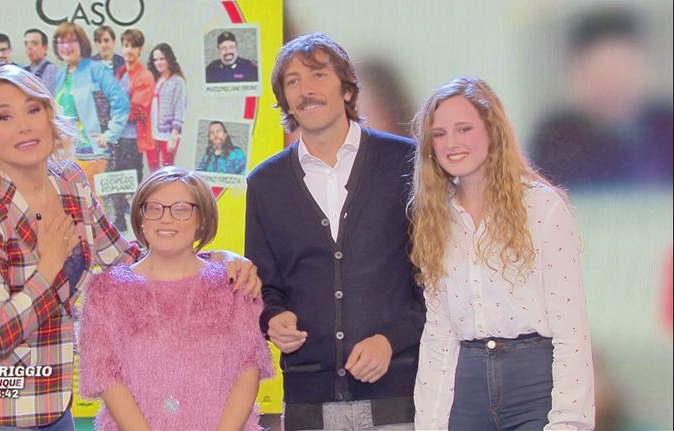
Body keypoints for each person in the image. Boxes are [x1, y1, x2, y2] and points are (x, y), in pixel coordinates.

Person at [0, 65, 261, 430]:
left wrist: (217, 262)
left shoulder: (70, 181)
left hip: (51, 398)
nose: (24, 126)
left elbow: (126, 261)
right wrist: (50, 266)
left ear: (50, 117)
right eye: (4, 116)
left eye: (33, 109)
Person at [245, 33, 424, 430]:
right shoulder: (265, 183)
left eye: (318, 75)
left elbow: (436, 280)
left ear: (346, 88)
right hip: (308, 406)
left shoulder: (406, 162)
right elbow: (264, 287)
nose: (305, 89)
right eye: (292, 81)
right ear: (285, 99)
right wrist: (272, 318)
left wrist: (391, 340)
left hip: (399, 401)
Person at [409, 76, 595, 430]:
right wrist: (430, 422)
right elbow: (439, 332)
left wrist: (570, 420)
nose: (452, 143)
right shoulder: (435, 218)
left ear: (492, 131)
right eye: (439, 134)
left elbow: (571, 326)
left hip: (534, 381)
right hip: (465, 385)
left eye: (464, 129)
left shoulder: (541, 207)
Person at [79, 166, 274, 431]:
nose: (166, 219)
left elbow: (248, 368)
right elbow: (106, 375)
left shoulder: (234, 285)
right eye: (154, 208)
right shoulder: (106, 291)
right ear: (140, 217)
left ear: (201, 218)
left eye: (181, 209)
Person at [531, 7, 673, 188]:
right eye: (602, 74)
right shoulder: (555, 139)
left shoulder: (667, 127)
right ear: (577, 75)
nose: (615, 86)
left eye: (623, 72)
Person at [53, 22, 128, 192]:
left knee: (92, 199)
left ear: (82, 43)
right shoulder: (61, 75)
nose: (66, 46)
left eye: (71, 41)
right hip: (67, 153)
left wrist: (110, 134)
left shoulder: (97, 69)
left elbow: (121, 103)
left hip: (92, 153)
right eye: (61, 42)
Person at [108, 28, 153, 232]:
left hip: (133, 138)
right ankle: (120, 219)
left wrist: (115, 111)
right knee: (116, 179)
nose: (129, 50)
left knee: (133, 181)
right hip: (118, 136)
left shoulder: (144, 76)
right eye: (126, 45)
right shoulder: (121, 74)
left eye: (133, 46)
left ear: (140, 49)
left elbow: (136, 110)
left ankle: (139, 224)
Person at [146, 42, 186, 170]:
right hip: (151, 133)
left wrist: (174, 135)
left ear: (169, 59)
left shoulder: (177, 81)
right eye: (155, 60)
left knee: (167, 170)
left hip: (168, 133)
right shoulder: (153, 79)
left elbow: (180, 108)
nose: (158, 63)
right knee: (153, 168)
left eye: (162, 59)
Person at [24, 28, 58, 95]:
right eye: (26, 44)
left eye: (34, 44)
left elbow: (48, 96)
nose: (29, 47)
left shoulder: (50, 69)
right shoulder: (24, 71)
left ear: (45, 48)